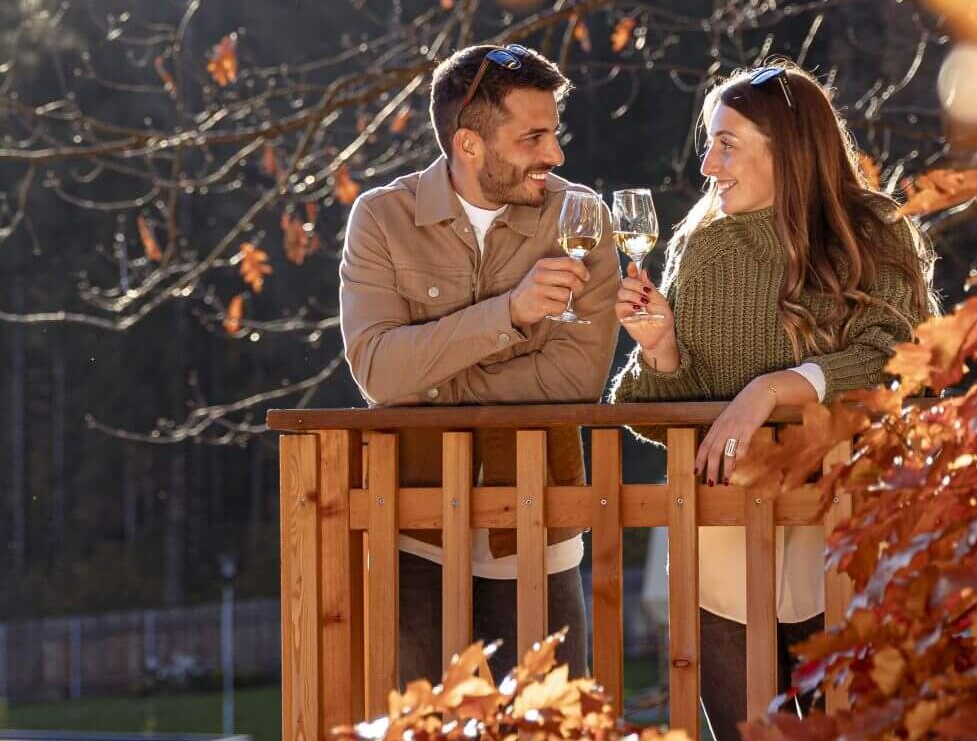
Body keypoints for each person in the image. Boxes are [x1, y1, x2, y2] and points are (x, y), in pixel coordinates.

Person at [608, 61, 937, 739]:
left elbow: (895, 359)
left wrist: (773, 391)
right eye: (709, 141)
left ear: (786, 148)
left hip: (845, 531)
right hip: (724, 542)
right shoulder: (701, 247)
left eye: (726, 143)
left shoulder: (873, 233)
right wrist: (661, 347)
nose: (706, 164)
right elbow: (673, 412)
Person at [337, 42, 619, 684]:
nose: (556, 155)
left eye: (555, 133)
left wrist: (431, 377)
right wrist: (511, 316)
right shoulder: (382, 218)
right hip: (412, 526)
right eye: (534, 137)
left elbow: (574, 381)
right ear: (468, 145)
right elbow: (378, 372)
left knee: (552, 730)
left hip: (538, 522)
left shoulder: (582, 218)